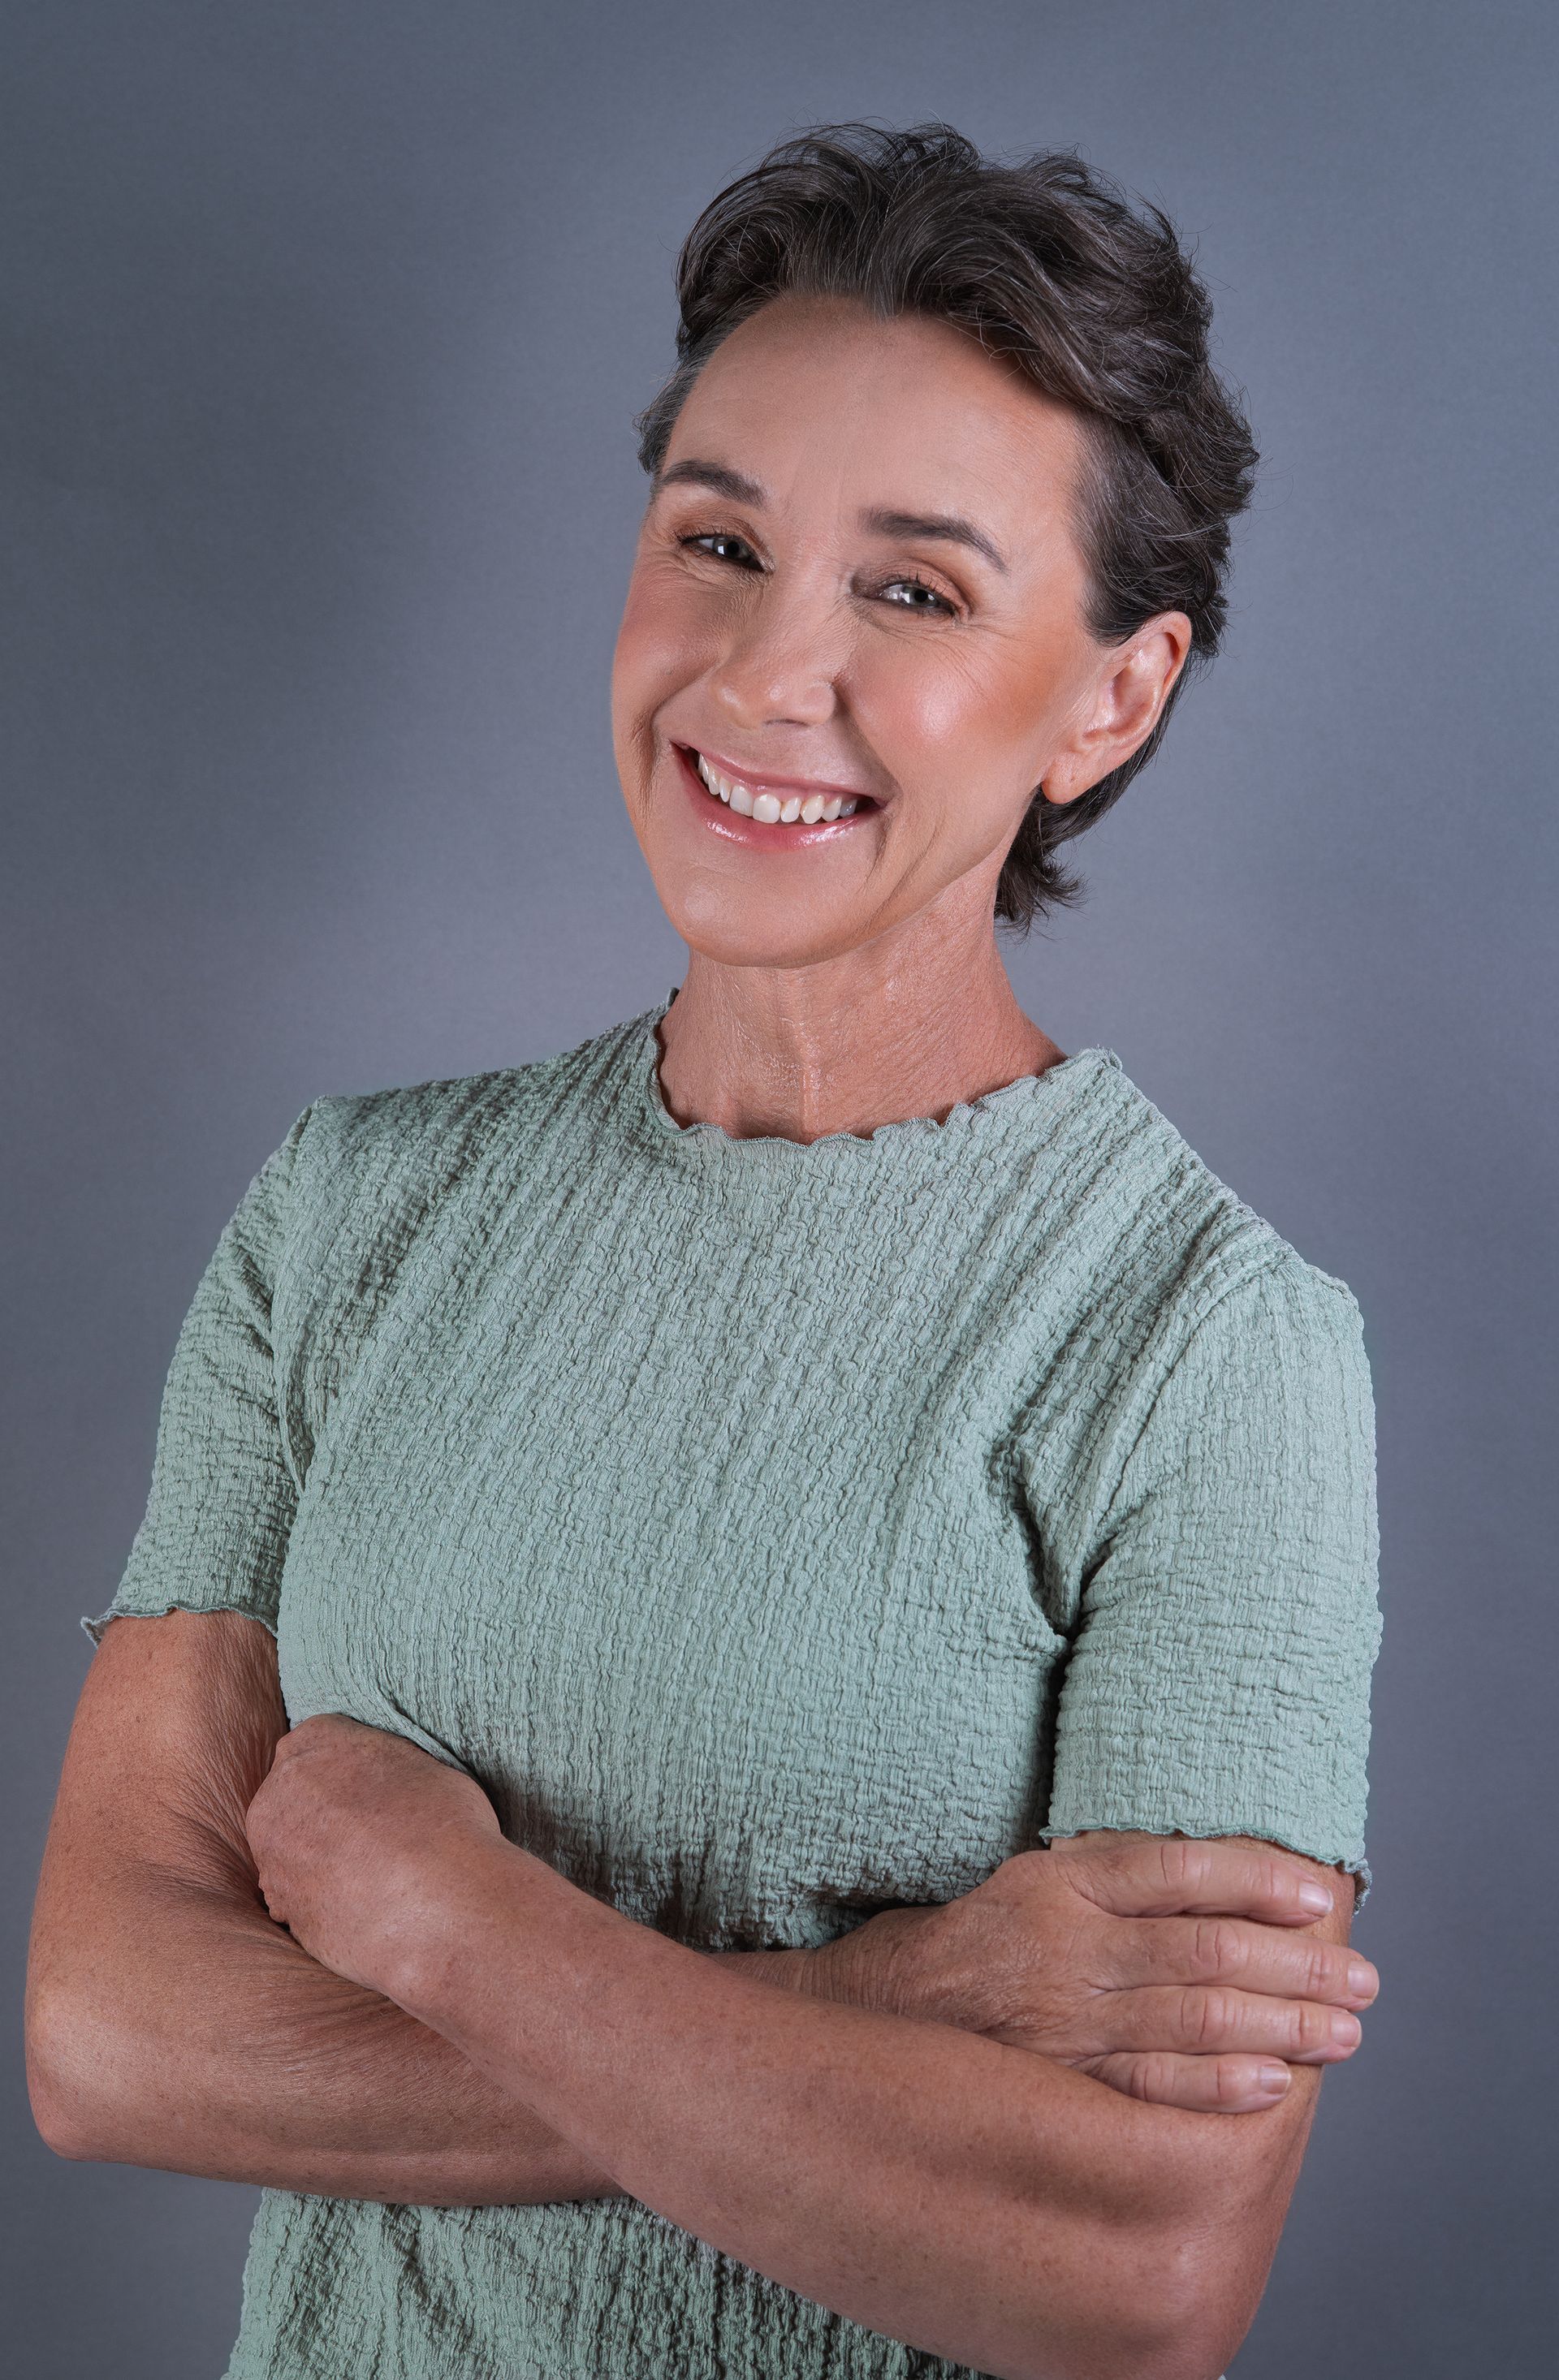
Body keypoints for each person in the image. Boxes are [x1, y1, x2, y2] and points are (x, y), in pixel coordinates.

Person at [25, 123, 1383, 2380]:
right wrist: (893, 2002)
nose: (766, 672)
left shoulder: (1206, 1342)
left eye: (918, 590)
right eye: (721, 541)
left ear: (1109, 699)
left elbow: (1135, 2270)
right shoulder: (355, 1213)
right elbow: (107, 2030)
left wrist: (451, 1921)